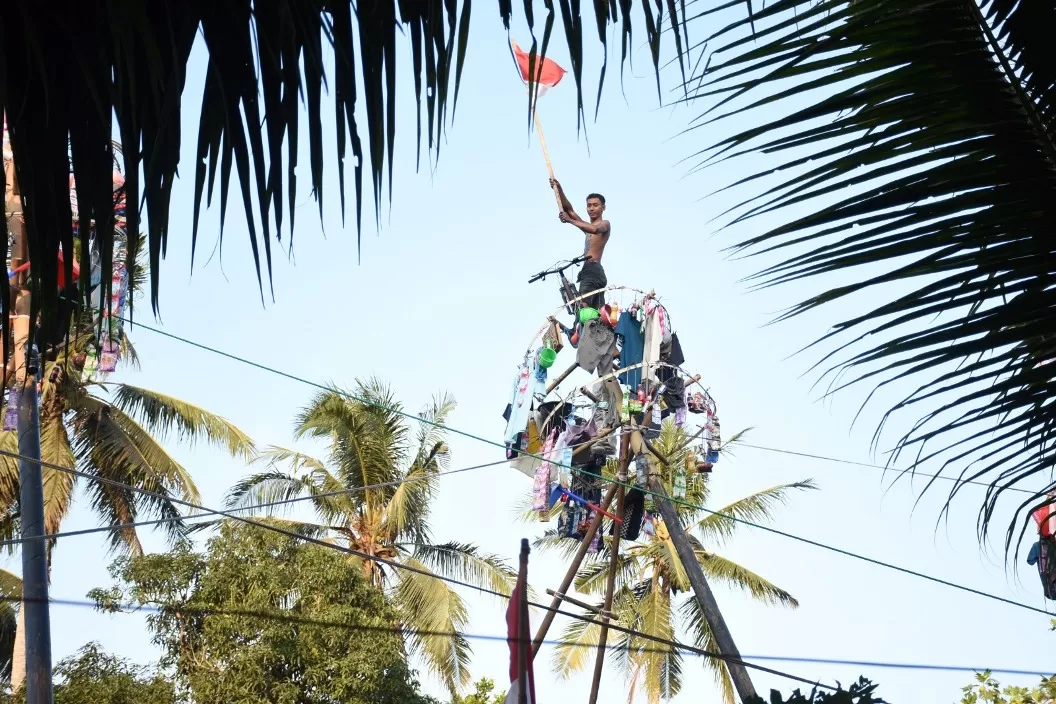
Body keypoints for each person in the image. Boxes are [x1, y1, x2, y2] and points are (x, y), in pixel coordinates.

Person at [550, 179, 611, 311]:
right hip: (588, 270)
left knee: (583, 304)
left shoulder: (604, 224)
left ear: (603, 208)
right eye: (589, 205)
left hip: (593, 269)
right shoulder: (587, 227)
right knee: (595, 310)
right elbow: (569, 210)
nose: (591, 208)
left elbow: (594, 229)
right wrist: (558, 189)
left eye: (595, 205)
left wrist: (570, 220)